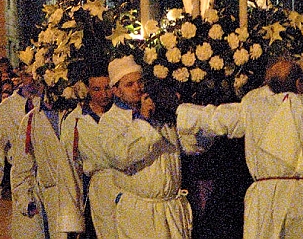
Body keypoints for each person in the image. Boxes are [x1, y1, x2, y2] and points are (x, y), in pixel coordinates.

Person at [176, 57, 303, 239]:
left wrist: (180, 111)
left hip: (268, 199)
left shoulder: (254, 107)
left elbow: (215, 118)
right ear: (300, 83)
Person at [98, 55, 201, 239]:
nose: (137, 88)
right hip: (141, 214)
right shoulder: (110, 121)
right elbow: (121, 156)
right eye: (129, 84)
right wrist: (144, 120)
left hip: (170, 209)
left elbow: (188, 147)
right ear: (116, 90)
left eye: (140, 82)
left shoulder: (159, 112)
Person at [10, 78, 84, 239]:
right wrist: (25, 199)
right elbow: (22, 166)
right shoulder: (31, 120)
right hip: (51, 197)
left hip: (80, 192)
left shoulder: (77, 115)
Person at [0, 71, 41, 236]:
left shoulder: (50, 103)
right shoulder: (8, 107)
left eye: (35, 75)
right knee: (28, 229)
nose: (31, 80)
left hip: (51, 175)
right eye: (27, 75)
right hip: (22, 176)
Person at [61, 72, 115, 239]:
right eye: (97, 89)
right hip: (97, 194)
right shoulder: (75, 120)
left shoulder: (121, 115)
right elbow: (69, 168)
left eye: (107, 88)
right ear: (88, 90)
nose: (104, 94)